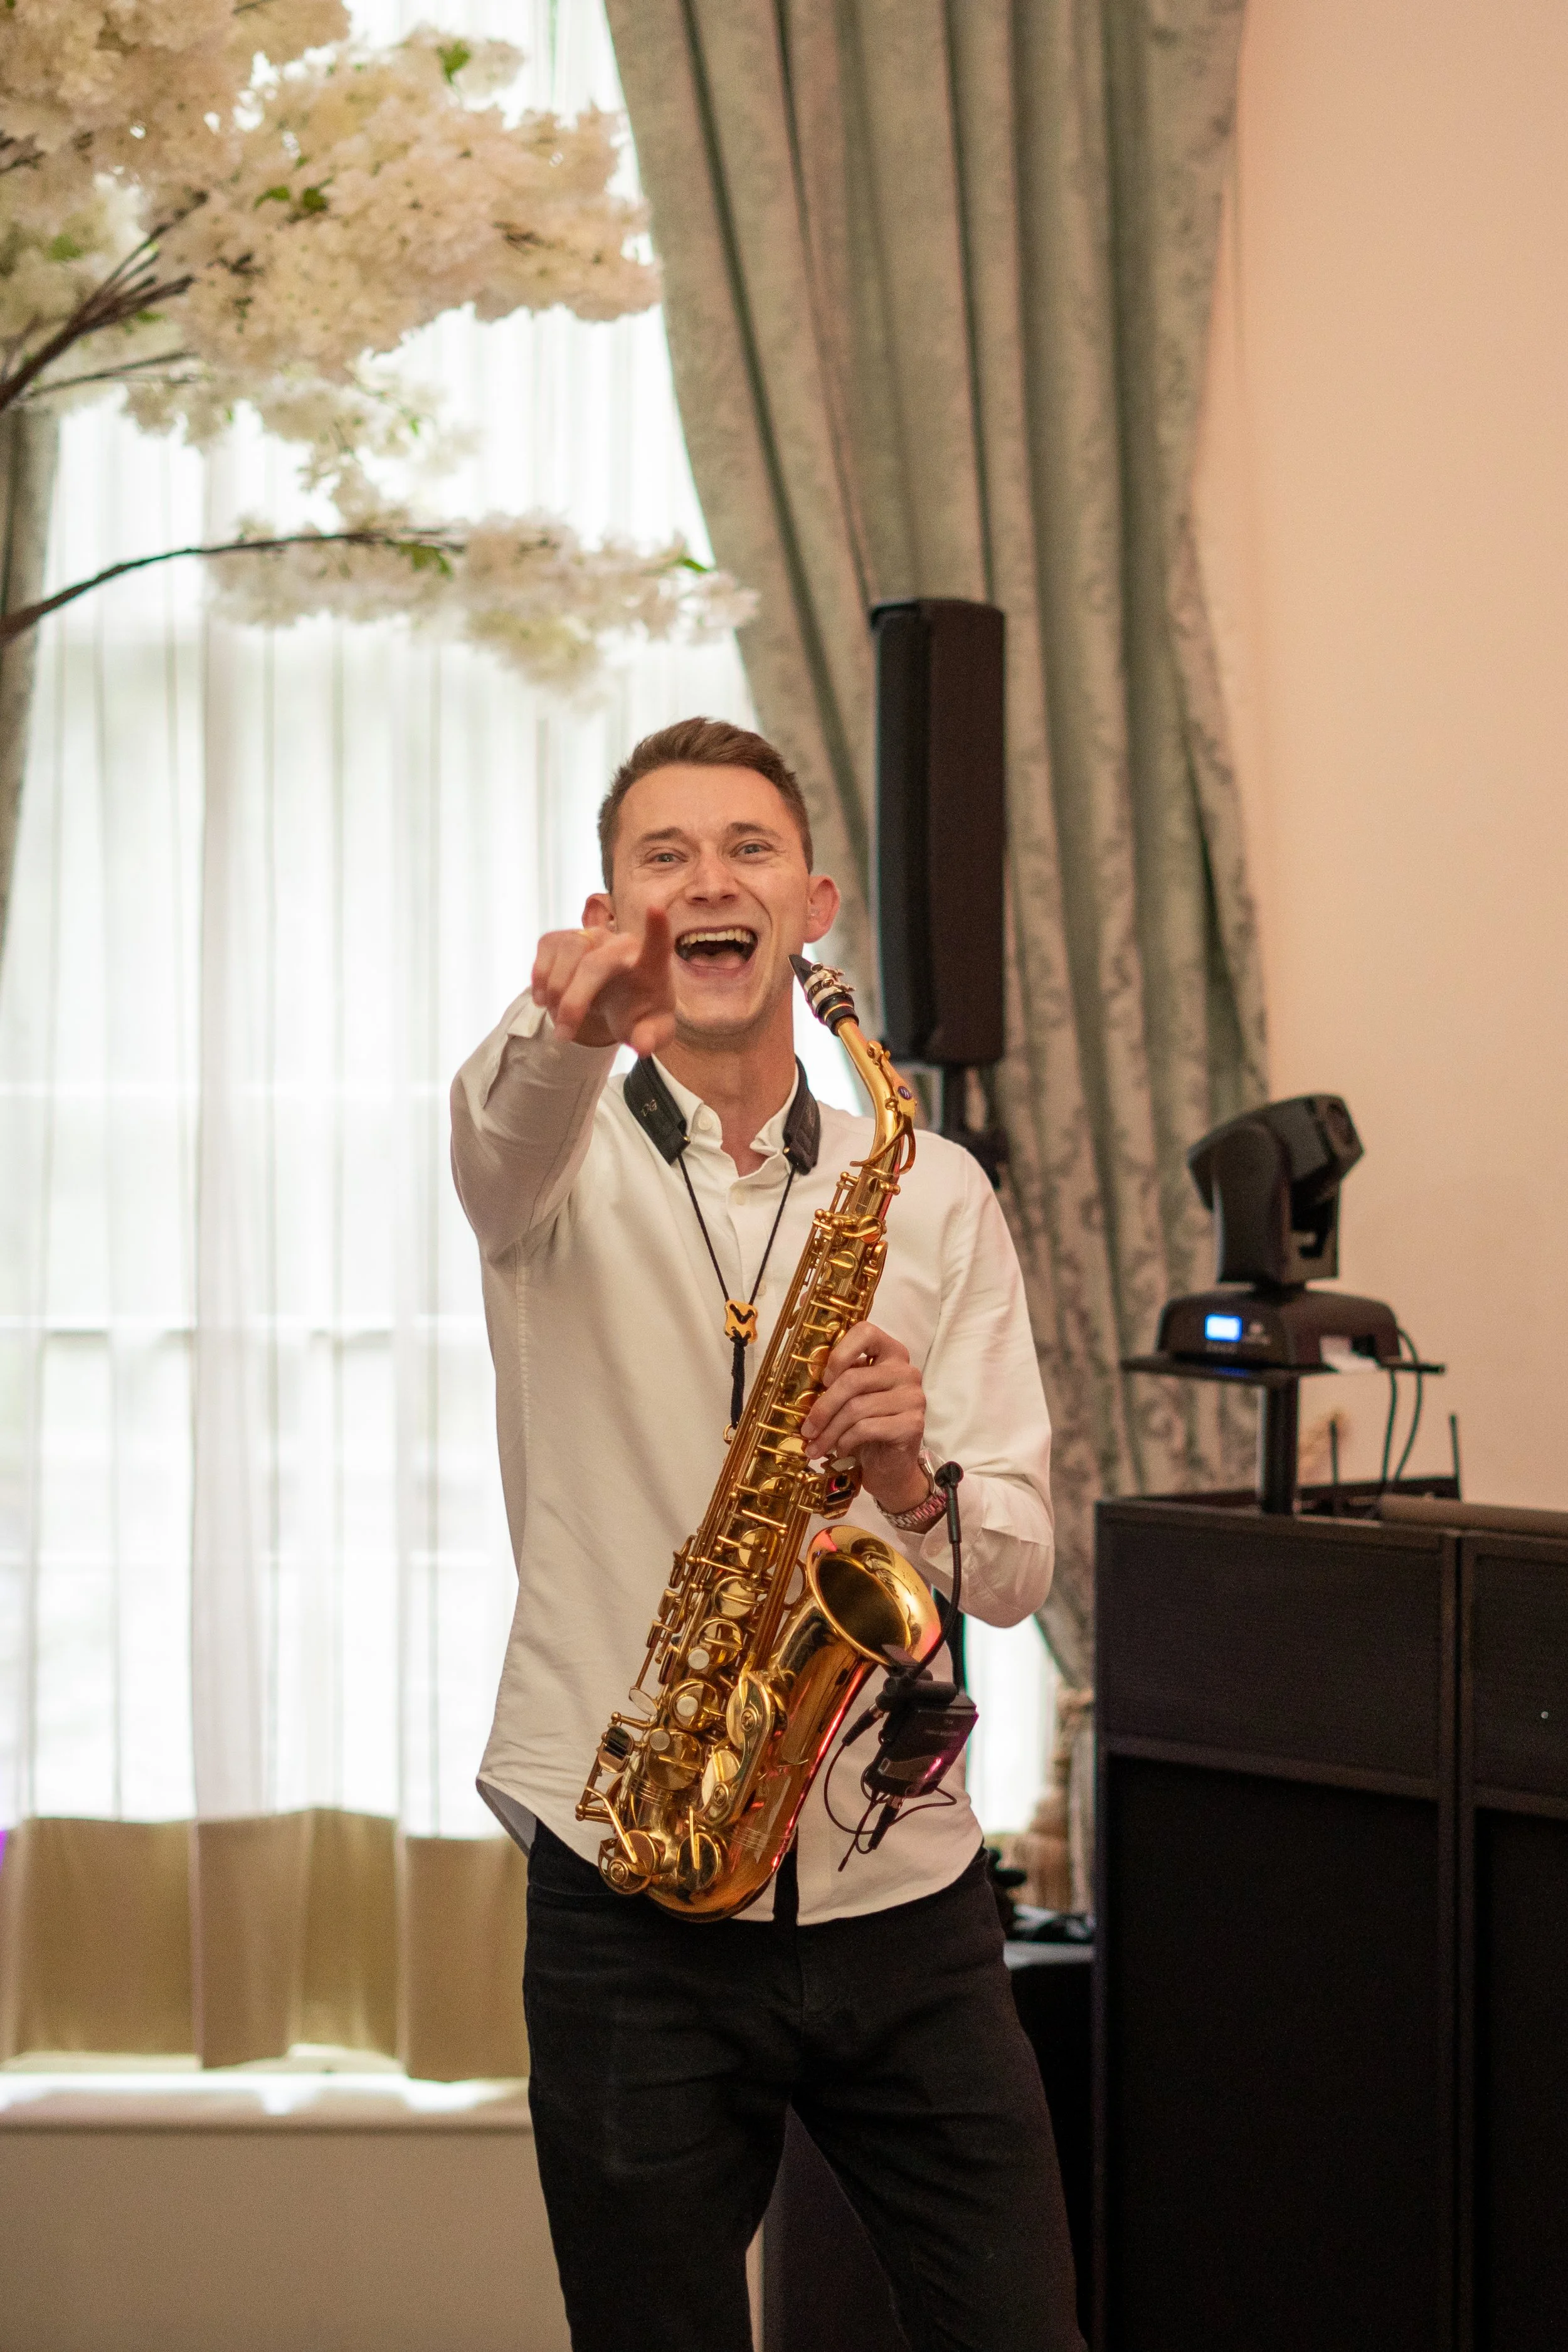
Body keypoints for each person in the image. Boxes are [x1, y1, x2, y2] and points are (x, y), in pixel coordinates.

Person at [450, 716, 1084, 2352]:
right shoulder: (548, 1164)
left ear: (810, 906)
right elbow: (496, 1120)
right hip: (630, 1885)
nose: (705, 881)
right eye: (662, 857)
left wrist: (919, 1481)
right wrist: (561, 1021)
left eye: (744, 849)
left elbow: (1011, 1569)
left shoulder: (928, 1187)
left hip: (904, 1891)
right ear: (613, 914)